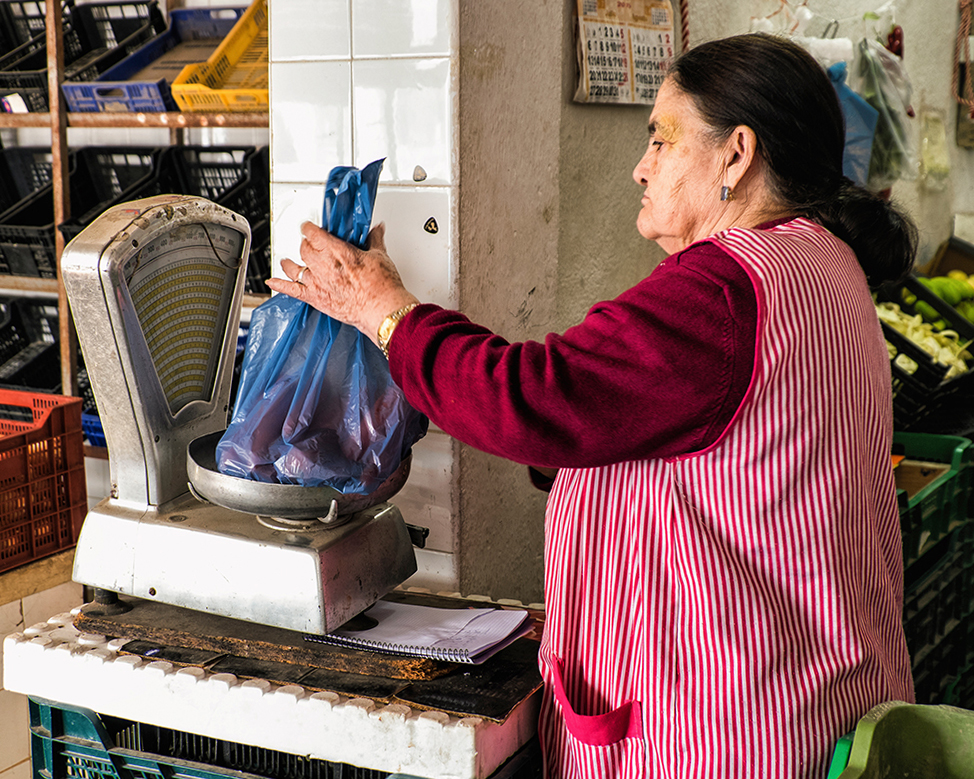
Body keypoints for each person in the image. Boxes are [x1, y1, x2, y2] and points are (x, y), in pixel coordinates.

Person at [267, 32, 917, 779]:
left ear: (737, 154)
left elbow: (528, 395)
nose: (641, 168)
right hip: (821, 700)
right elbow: (714, 443)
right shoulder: (825, 262)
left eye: (662, 141)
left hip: (727, 731)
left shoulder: (725, 291)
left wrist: (387, 312)